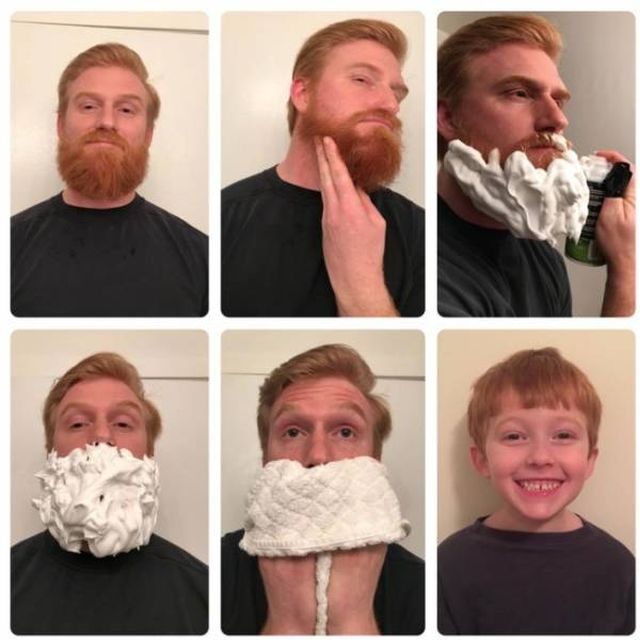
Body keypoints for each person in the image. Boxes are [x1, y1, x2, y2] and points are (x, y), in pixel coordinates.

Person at [222, 19, 424, 317]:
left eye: (397, 93)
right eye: (362, 80)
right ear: (303, 93)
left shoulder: (423, 232)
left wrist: (362, 285)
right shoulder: (225, 216)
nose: (390, 104)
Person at [437, 14, 635, 317]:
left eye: (559, 100)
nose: (557, 120)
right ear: (448, 118)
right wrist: (628, 265)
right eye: (519, 93)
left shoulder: (544, 255)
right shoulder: (430, 265)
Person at [221, 344, 424, 634]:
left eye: (345, 432)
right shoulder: (216, 574)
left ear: (375, 458)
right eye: (293, 432)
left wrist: (352, 621)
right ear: (266, 458)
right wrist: (289, 624)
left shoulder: (424, 588)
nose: (318, 456)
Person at [438, 347, 635, 634]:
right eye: (514, 436)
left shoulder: (620, 568)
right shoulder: (448, 566)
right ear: (482, 460)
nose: (540, 457)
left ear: (590, 460)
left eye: (563, 435)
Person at [11, 353, 208, 634]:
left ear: (149, 454)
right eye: (78, 423)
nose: (102, 436)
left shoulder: (205, 597)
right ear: (51, 453)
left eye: (123, 423)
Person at [11, 43, 208, 317]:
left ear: (148, 135)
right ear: (61, 126)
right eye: (89, 106)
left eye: (126, 110)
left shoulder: (203, 257)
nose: (107, 121)